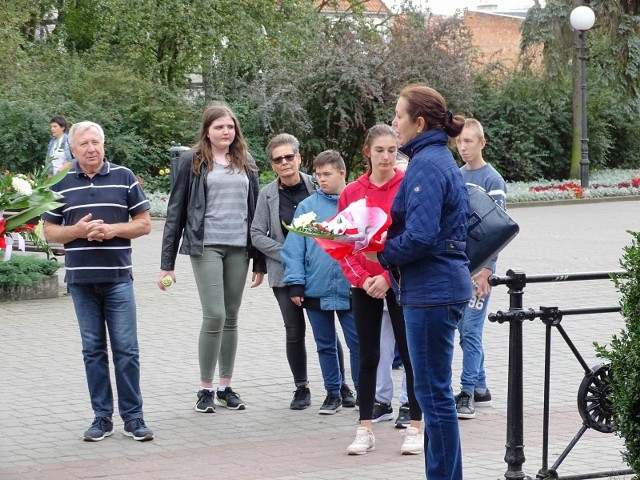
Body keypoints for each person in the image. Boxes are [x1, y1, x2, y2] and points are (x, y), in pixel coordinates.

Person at [367, 84, 472, 479]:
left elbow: (423, 236)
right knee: (434, 395)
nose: (394, 124)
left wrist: (379, 252)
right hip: (435, 287)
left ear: (419, 122)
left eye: (398, 116)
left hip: (432, 290)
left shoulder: (427, 164)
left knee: (433, 396)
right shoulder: (434, 158)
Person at [42, 121, 154, 442]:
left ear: (104, 145)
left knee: (127, 351)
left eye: (96, 142)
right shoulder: (60, 182)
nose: (91, 149)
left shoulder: (124, 177)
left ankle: (134, 418)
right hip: (80, 281)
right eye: (84, 144)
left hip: (118, 278)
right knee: (92, 351)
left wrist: (112, 230)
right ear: (73, 150)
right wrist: (77, 231)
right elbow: (49, 232)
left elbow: (144, 224)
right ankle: (101, 418)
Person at [158, 102, 266, 414]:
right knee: (215, 314)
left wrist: (259, 261)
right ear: (207, 130)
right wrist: (167, 263)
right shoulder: (192, 162)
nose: (225, 132)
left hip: (239, 248)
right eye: (219, 127)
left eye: (230, 126)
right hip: (205, 246)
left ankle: (225, 387)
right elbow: (175, 213)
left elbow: (256, 213)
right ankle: (204, 389)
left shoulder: (245, 160)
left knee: (231, 316)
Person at [250, 133, 355, 410]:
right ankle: (302, 387)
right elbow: (257, 233)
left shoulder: (317, 184)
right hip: (288, 272)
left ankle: (342, 387)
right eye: (277, 159)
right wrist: (285, 253)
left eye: (289, 156)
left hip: (330, 275)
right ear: (272, 164)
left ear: (298, 158)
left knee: (335, 335)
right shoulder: (268, 194)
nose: (284, 162)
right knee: (295, 330)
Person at [339, 124, 423, 456]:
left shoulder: (407, 186)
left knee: (410, 352)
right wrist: (362, 280)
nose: (386, 157)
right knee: (368, 354)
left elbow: (411, 238)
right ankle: (365, 427)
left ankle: (416, 426)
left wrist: (388, 276)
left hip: (401, 280)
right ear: (367, 153)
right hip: (364, 284)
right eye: (379, 151)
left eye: (392, 150)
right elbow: (343, 244)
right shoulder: (351, 192)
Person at [281, 150, 360, 415]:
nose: (322, 179)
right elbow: (294, 249)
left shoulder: (358, 203)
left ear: (341, 174)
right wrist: (295, 283)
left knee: (357, 343)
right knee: (325, 345)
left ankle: (364, 392)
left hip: (352, 288)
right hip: (316, 287)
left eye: (327, 174)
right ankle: (333, 393)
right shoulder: (307, 207)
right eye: (318, 174)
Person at [454, 118, 507, 419]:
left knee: (471, 331)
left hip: (479, 272)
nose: (463, 147)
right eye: (460, 142)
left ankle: (467, 392)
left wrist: (487, 270)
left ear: (481, 143)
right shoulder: (457, 175)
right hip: (459, 267)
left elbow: (499, 229)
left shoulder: (492, 180)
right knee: (463, 328)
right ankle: (482, 387)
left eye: (469, 142)